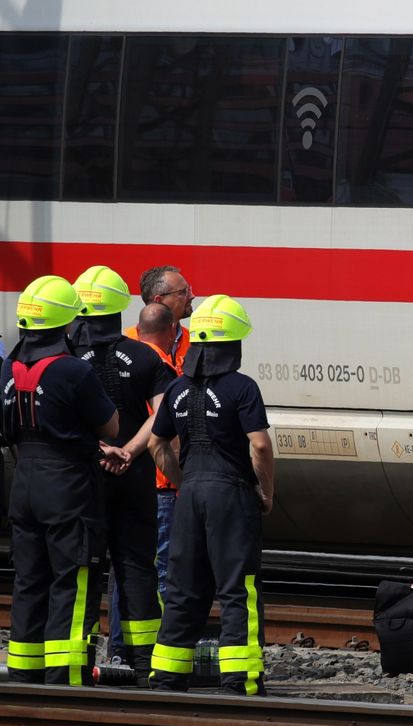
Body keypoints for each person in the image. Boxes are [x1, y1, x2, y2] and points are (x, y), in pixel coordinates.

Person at [148, 294, 275, 695]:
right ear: (233, 343)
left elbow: (156, 445)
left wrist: (185, 484)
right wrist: (265, 492)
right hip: (231, 495)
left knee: (184, 588)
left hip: (190, 498)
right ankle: (240, 679)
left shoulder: (177, 389)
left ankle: (167, 676)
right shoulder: (243, 387)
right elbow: (259, 446)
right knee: (239, 587)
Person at [2, 275, 119, 686]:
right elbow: (110, 425)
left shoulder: (9, 367)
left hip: (25, 483)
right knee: (73, 579)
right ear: (68, 323)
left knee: (30, 578)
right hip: (68, 486)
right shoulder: (73, 370)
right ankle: (66, 675)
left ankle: (24, 669)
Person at [71, 266, 175, 683]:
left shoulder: (65, 359)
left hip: (85, 479)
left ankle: (78, 659)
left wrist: (100, 451)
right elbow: (164, 411)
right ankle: (143, 661)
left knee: (84, 569)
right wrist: (130, 451)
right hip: (134, 479)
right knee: (137, 568)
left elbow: (62, 420)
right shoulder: (146, 356)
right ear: (121, 309)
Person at [128, 303, 182, 603]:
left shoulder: (124, 357)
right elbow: (163, 433)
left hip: (135, 478)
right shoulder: (160, 367)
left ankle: (126, 646)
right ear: (170, 330)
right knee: (165, 568)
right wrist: (182, 481)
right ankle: (165, 639)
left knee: (133, 565)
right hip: (162, 482)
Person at [127, 265, 195, 368]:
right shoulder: (128, 343)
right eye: (183, 292)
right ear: (158, 301)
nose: (192, 296)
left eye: (189, 290)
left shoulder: (194, 342)